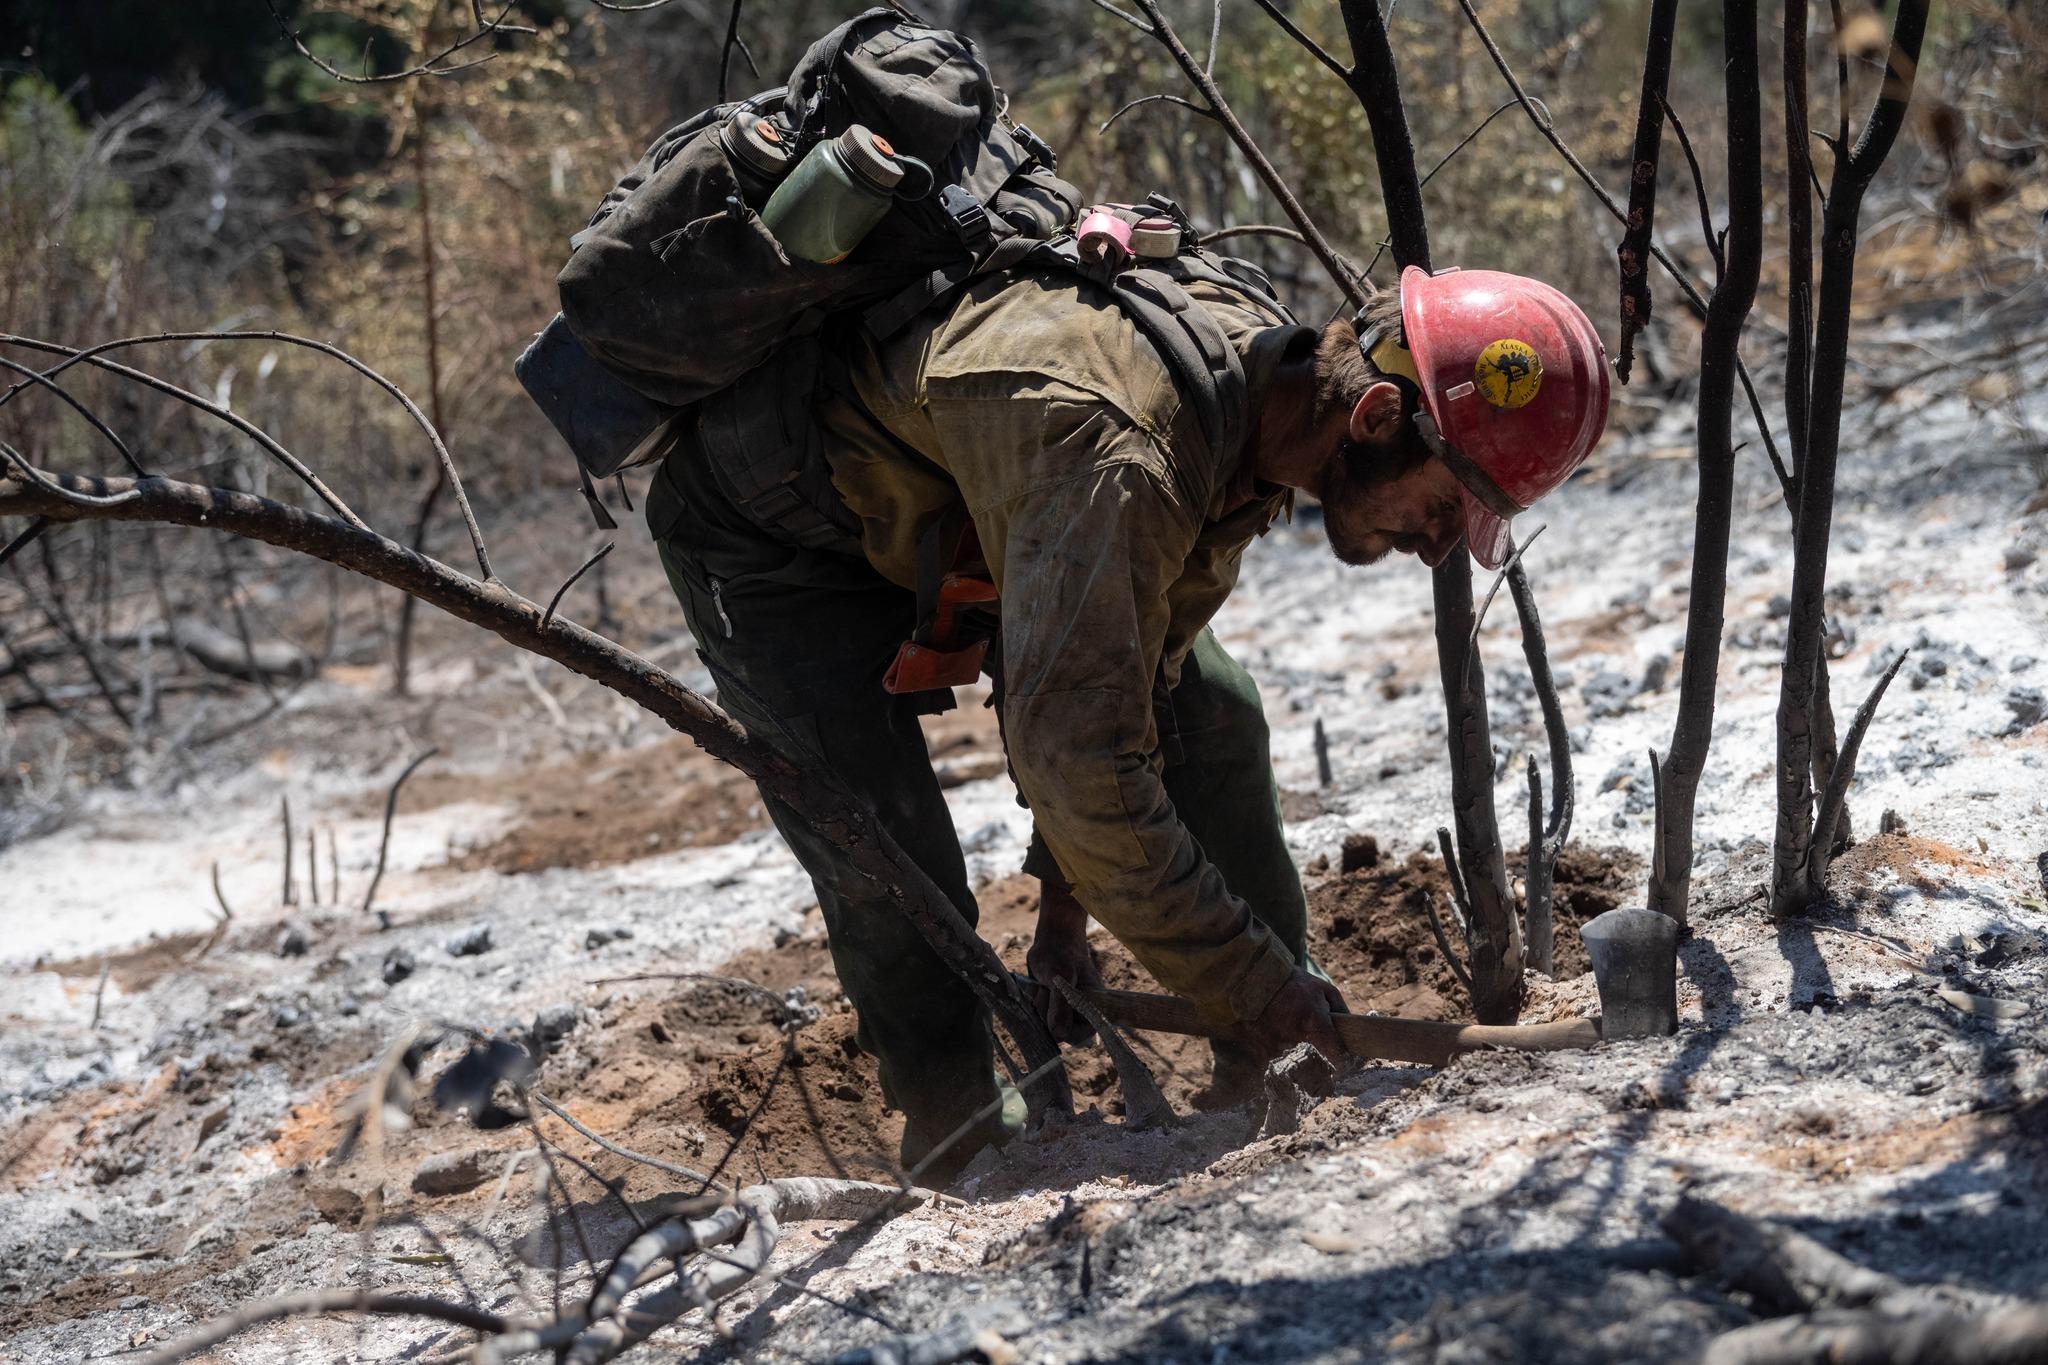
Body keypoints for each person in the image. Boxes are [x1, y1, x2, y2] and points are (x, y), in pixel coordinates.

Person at [643, 259, 1609, 1179]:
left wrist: (1068, 906)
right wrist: (1252, 980)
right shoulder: (1126, 450)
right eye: (1446, 506)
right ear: (1376, 412)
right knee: (887, 849)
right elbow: (1083, 763)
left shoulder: (1263, 411)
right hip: (775, 539)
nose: (1441, 548)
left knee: (1213, 716)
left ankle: (1270, 1062)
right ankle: (966, 1131)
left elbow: (1142, 678)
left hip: (972, 517)